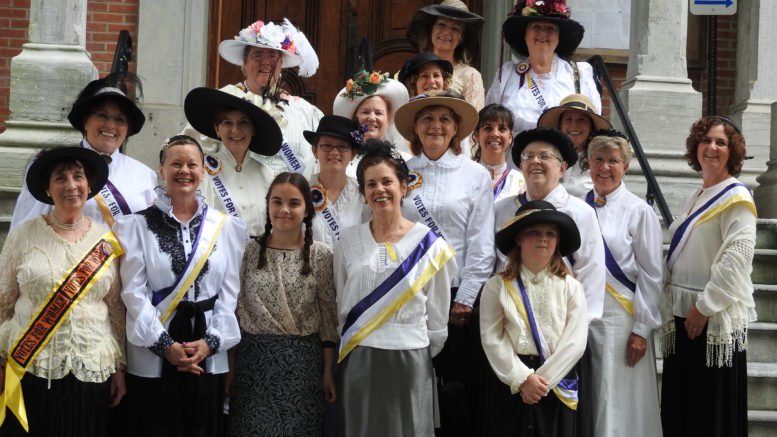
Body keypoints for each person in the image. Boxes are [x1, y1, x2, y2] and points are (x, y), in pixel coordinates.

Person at [115, 136, 247, 437]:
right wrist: (166, 346)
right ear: (161, 170)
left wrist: (209, 344)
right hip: (153, 355)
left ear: (203, 172)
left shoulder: (224, 227)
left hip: (207, 354)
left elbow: (229, 296)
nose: (184, 170)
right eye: (175, 163)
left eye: (192, 164)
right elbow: (133, 294)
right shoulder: (135, 226)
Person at [334, 140, 457, 436]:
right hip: (360, 355)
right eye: (371, 184)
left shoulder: (429, 245)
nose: (380, 190)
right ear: (363, 194)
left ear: (404, 186)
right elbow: (342, 301)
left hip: (410, 355)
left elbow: (438, 315)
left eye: (387, 181)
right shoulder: (348, 242)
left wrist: (419, 346)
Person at [0, 147, 124, 436]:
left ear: (89, 185)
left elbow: (115, 308)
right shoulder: (23, 235)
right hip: (31, 366)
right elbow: (3, 303)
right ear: (47, 188)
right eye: (60, 178)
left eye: (77, 176)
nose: (71, 185)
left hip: (91, 366)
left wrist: (119, 368)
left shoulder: (106, 241)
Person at [394, 91, 494, 436]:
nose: (436, 126)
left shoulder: (475, 175)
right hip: (405, 290)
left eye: (444, 120)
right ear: (415, 128)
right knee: (408, 379)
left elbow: (482, 243)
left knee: (453, 388)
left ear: (456, 129)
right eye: (427, 119)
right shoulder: (400, 172)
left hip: (454, 296)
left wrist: (465, 297)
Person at [494, 127, 605, 436]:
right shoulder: (503, 209)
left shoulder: (580, 212)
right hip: (514, 343)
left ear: (563, 166)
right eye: (528, 156)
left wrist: (574, 339)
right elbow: (496, 268)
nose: (535, 162)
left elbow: (592, 276)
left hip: (562, 343)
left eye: (545, 156)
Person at [660, 116, 757, 437]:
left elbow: (737, 259)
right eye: (706, 140)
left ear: (734, 151)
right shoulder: (698, 195)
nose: (712, 147)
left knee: (709, 414)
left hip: (709, 318)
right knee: (684, 411)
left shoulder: (737, 197)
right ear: (695, 147)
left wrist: (704, 307)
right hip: (684, 314)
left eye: (721, 142)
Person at [230, 172, 338, 435]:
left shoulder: (321, 255)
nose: (284, 210)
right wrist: (230, 370)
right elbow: (233, 311)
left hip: (303, 367)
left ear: (307, 210)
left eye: (294, 203)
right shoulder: (248, 251)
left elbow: (328, 317)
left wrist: (328, 372)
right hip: (253, 365)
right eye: (277, 202)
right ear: (267, 206)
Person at [480, 200, 588, 437]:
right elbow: (492, 338)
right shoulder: (496, 286)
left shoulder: (571, 287)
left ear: (558, 241)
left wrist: (541, 382)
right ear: (518, 239)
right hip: (510, 380)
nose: (543, 239)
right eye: (534, 232)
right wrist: (522, 379)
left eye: (551, 233)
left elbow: (575, 342)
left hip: (554, 383)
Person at [583, 131, 663, 437]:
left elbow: (652, 274)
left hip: (623, 317)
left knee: (616, 394)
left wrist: (641, 330)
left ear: (625, 166)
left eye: (613, 161)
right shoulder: (579, 206)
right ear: (588, 164)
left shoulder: (638, 210)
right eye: (598, 160)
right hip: (585, 315)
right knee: (591, 390)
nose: (605, 167)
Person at [11, 72, 157, 230]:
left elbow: (151, 235)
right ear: (85, 121)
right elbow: (25, 227)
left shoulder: (145, 175)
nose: (110, 125)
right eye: (103, 115)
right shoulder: (52, 165)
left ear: (128, 130)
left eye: (119, 119)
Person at [185, 19, 322, 179]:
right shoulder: (222, 101)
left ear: (281, 64)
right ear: (244, 63)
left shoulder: (302, 110)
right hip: (237, 200)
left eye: (273, 56)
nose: (265, 62)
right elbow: (190, 154)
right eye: (257, 55)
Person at [486, 0, 601, 140]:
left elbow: (595, 125)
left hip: (564, 159)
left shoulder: (580, 74)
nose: (542, 33)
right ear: (525, 34)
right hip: (515, 159)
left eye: (550, 28)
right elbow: (488, 121)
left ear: (559, 37)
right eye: (536, 27)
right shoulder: (506, 74)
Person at [183, 87, 282, 237]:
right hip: (217, 254)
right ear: (217, 129)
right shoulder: (202, 171)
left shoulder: (267, 175)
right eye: (227, 123)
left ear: (253, 130)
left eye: (243, 123)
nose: (235, 130)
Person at [407, 0, 485, 110]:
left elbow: (473, 120)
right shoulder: (413, 69)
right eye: (442, 25)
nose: (447, 32)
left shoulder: (471, 76)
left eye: (455, 28)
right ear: (431, 29)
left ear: (461, 38)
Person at [303, 115, 366, 247]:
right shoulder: (301, 191)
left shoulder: (363, 194)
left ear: (352, 154)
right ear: (315, 150)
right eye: (326, 145)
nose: (334, 152)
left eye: (342, 147)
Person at [537, 94, 612, 197]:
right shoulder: (543, 158)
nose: (574, 125)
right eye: (568, 119)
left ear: (591, 127)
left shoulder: (602, 164)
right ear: (560, 126)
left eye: (582, 119)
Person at [332, 68, 410, 160]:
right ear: (354, 118)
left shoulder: (404, 161)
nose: (372, 118)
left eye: (378, 113)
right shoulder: (343, 161)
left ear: (388, 119)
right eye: (365, 112)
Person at [471, 104, 525, 202]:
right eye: (488, 128)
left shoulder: (521, 182)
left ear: (510, 137)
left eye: (502, 129)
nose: (495, 134)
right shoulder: (464, 176)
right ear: (476, 136)